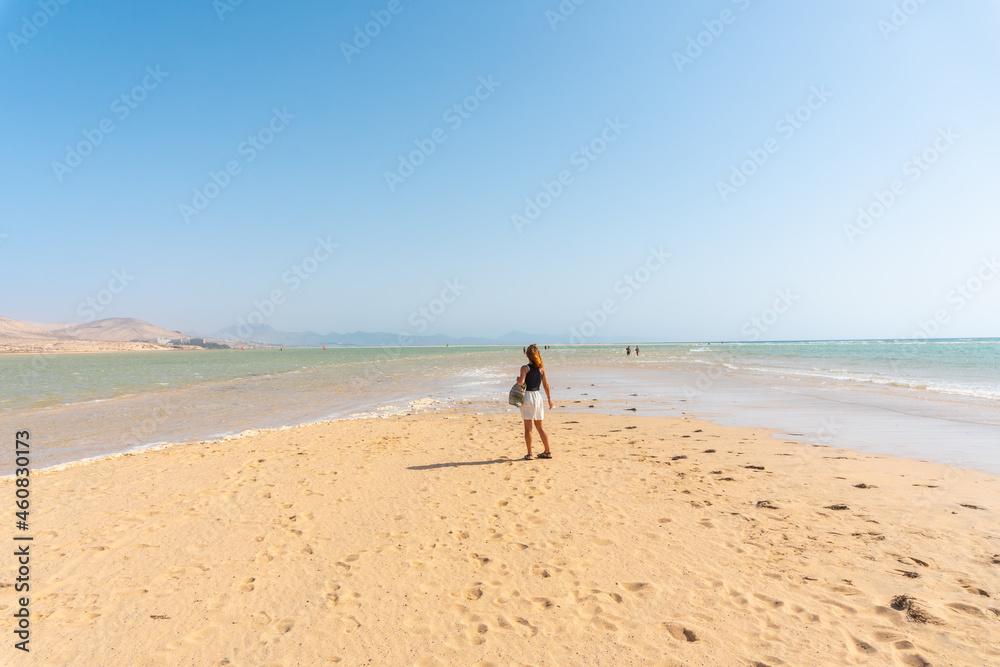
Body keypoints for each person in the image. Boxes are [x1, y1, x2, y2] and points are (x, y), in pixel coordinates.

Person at [516, 344, 553, 460]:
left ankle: (529, 454)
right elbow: (546, 385)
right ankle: (547, 452)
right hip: (537, 397)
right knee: (540, 427)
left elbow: (521, 382)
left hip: (527, 397)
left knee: (528, 428)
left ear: (527, 355)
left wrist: (518, 379)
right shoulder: (541, 368)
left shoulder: (524, 368)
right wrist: (549, 399)